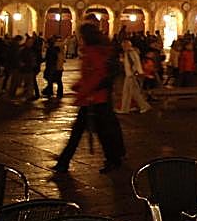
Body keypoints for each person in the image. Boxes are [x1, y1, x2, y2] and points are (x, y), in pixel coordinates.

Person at [52, 23, 126, 174]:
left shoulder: (93, 52)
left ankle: (64, 162)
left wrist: (83, 90)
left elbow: (97, 76)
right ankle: (64, 162)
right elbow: (91, 75)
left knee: (86, 132)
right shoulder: (97, 50)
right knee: (93, 132)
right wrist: (79, 85)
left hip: (94, 100)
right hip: (96, 98)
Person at [116, 37, 151, 113]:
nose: (122, 48)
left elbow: (134, 64)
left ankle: (142, 106)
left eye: (123, 46)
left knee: (129, 92)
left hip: (131, 75)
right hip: (130, 75)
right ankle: (126, 108)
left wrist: (136, 72)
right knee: (130, 92)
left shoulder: (130, 53)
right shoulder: (130, 52)